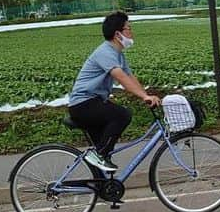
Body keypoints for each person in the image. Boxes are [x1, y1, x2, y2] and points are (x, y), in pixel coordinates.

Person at [67, 11, 160, 172]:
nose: (131, 32)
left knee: (102, 153)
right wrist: (144, 96)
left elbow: (130, 77)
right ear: (118, 34)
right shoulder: (105, 52)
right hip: (83, 105)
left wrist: (145, 95)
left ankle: (101, 185)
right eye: (128, 29)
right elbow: (121, 78)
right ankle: (100, 156)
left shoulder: (118, 54)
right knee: (122, 115)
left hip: (93, 103)